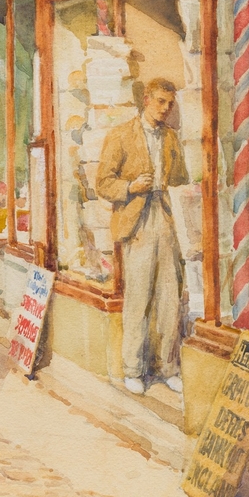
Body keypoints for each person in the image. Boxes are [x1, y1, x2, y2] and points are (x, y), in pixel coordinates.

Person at [95, 78, 189, 395]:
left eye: (170, 104)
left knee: (169, 299)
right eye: (161, 101)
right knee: (137, 298)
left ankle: (168, 367)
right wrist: (131, 187)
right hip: (137, 223)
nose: (165, 109)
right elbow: (103, 184)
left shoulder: (172, 139)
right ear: (147, 99)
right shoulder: (121, 135)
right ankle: (133, 370)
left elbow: (181, 180)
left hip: (166, 219)